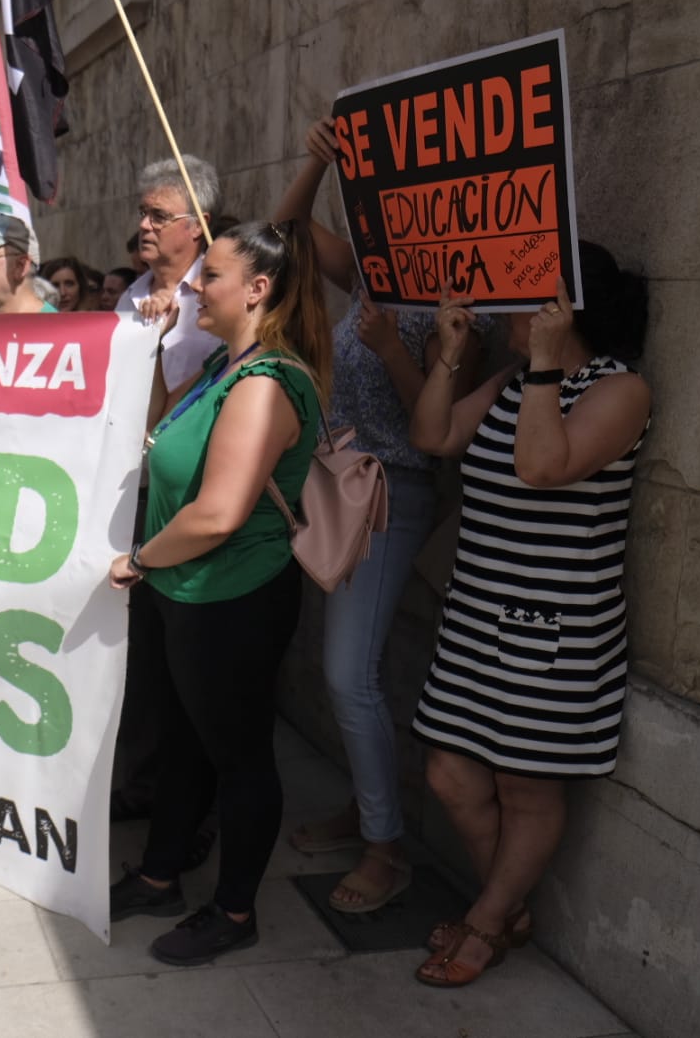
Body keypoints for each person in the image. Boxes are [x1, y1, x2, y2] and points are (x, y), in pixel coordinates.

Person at [406, 243, 651, 987]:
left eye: (521, 297)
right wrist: (451, 356)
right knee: (451, 772)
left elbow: (543, 467)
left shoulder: (621, 389)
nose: (505, 310)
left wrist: (545, 367)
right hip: (477, 617)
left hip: (556, 630)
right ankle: (506, 906)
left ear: (561, 311)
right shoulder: (516, 383)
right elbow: (434, 438)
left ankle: (487, 921)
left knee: (526, 785)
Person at [272, 116, 489, 914]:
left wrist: (397, 345)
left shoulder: (461, 302)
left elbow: (432, 428)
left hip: (394, 495)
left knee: (347, 676)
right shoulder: (372, 274)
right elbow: (286, 235)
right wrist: (317, 164)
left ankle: (386, 847)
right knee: (352, 675)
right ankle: (371, 815)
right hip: (340, 492)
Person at [107, 219, 331, 966]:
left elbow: (218, 512)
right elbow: (154, 440)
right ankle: (160, 873)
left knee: (238, 759)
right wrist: (154, 343)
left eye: (213, 276)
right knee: (183, 746)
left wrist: (140, 558)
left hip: (230, 599)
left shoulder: (267, 383)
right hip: (188, 591)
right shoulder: (221, 370)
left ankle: (234, 911)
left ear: (258, 290)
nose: (195, 285)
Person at [110, 154, 230, 825]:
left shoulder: (213, 299)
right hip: (134, 499)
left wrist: (157, 345)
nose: (144, 224)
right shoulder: (132, 295)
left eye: (158, 214)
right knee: (144, 660)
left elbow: (193, 400)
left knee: (191, 668)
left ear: (197, 224)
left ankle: (188, 812)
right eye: (143, 212)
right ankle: (146, 785)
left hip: (190, 508)